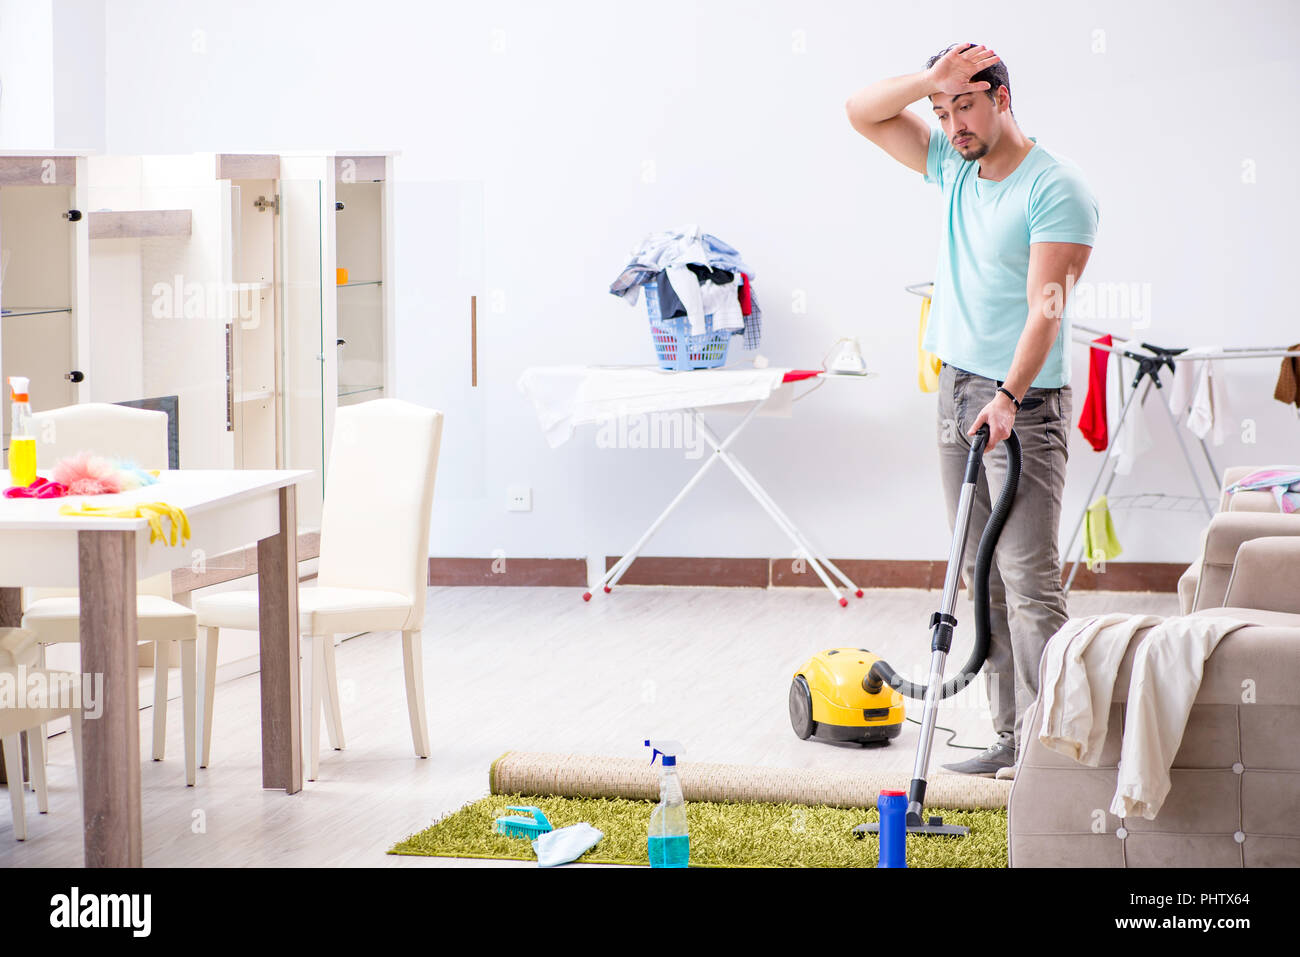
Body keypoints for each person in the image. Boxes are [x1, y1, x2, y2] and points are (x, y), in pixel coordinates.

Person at [846, 42, 1099, 775]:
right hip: (957, 391)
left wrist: (1009, 396)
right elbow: (860, 112)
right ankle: (1010, 738)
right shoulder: (953, 165)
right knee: (977, 576)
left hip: (1023, 402)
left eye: (966, 103)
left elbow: (1044, 309)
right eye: (942, 109)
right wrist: (930, 78)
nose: (953, 121)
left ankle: (1058, 753)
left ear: (1002, 99)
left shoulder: (1055, 188)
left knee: (1027, 580)